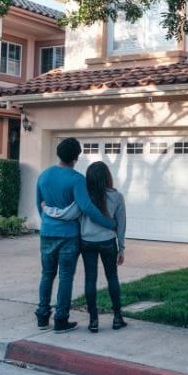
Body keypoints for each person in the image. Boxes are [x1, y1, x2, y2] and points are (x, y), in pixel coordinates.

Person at [35, 138, 116, 334]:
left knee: (47, 274)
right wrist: (110, 223)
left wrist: (49, 224)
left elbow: (40, 205)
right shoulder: (77, 179)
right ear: (76, 157)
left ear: (58, 154)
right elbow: (87, 207)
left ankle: (43, 317)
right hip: (69, 236)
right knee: (65, 277)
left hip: (47, 232)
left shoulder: (44, 176)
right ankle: (61, 319)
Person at [80, 161, 127, 332]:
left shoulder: (84, 196)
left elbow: (77, 217)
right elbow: (121, 224)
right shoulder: (116, 197)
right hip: (107, 242)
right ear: (108, 176)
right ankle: (117, 318)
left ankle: (93, 321)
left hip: (87, 242)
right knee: (112, 277)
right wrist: (121, 248)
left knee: (90, 279)